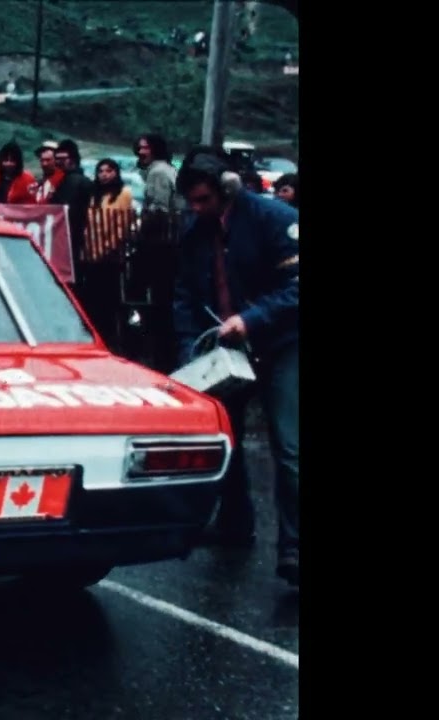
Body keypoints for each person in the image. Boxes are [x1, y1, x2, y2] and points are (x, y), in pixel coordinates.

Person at [171, 150, 299, 588]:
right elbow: (186, 295)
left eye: (203, 199)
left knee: (288, 445)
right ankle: (234, 522)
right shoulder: (194, 234)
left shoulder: (274, 218)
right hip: (227, 348)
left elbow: (295, 286)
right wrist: (192, 349)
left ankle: (294, 546)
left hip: (282, 342)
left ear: (224, 190)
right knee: (228, 437)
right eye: (191, 200)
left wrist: (254, 318)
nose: (196, 208)